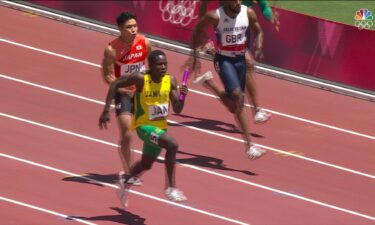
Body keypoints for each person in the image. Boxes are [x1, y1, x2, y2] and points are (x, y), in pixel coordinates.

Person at [99, 50, 188, 207]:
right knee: (172, 144)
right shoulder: (141, 79)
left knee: (146, 164)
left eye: (165, 64)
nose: (163, 67)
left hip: (160, 129)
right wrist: (106, 110)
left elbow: (178, 109)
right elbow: (115, 83)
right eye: (159, 64)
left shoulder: (170, 81)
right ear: (151, 65)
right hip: (143, 127)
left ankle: (124, 182)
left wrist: (182, 95)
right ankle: (171, 188)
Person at [190, 0, 266, 159]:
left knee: (235, 107)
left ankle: (209, 83)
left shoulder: (248, 13)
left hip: (240, 61)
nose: (237, 2)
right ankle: (249, 146)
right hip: (224, 61)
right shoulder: (215, 16)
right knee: (238, 96)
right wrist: (196, 56)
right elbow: (198, 28)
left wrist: (259, 41)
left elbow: (258, 30)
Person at [195, 0, 277, 123]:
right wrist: (203, 32)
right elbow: (204, 4)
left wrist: (270, 15)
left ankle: (209, 82)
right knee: (248, 64)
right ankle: (256, 110)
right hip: (225, 28)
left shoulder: (246, 11)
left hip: (242, 27)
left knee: (235, 104)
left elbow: (263, 4)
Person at [101, 12, 152, 186]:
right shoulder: (112, 49)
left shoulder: (145, 43)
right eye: (129, 27)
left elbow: (152, 68)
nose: (133, 30)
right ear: (120, 29)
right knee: (127, 133)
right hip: (123, 93)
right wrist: (121, 88)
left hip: (142, 93)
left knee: (148, 133)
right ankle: (130, 171)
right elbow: (107, 74)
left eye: (135, 26)